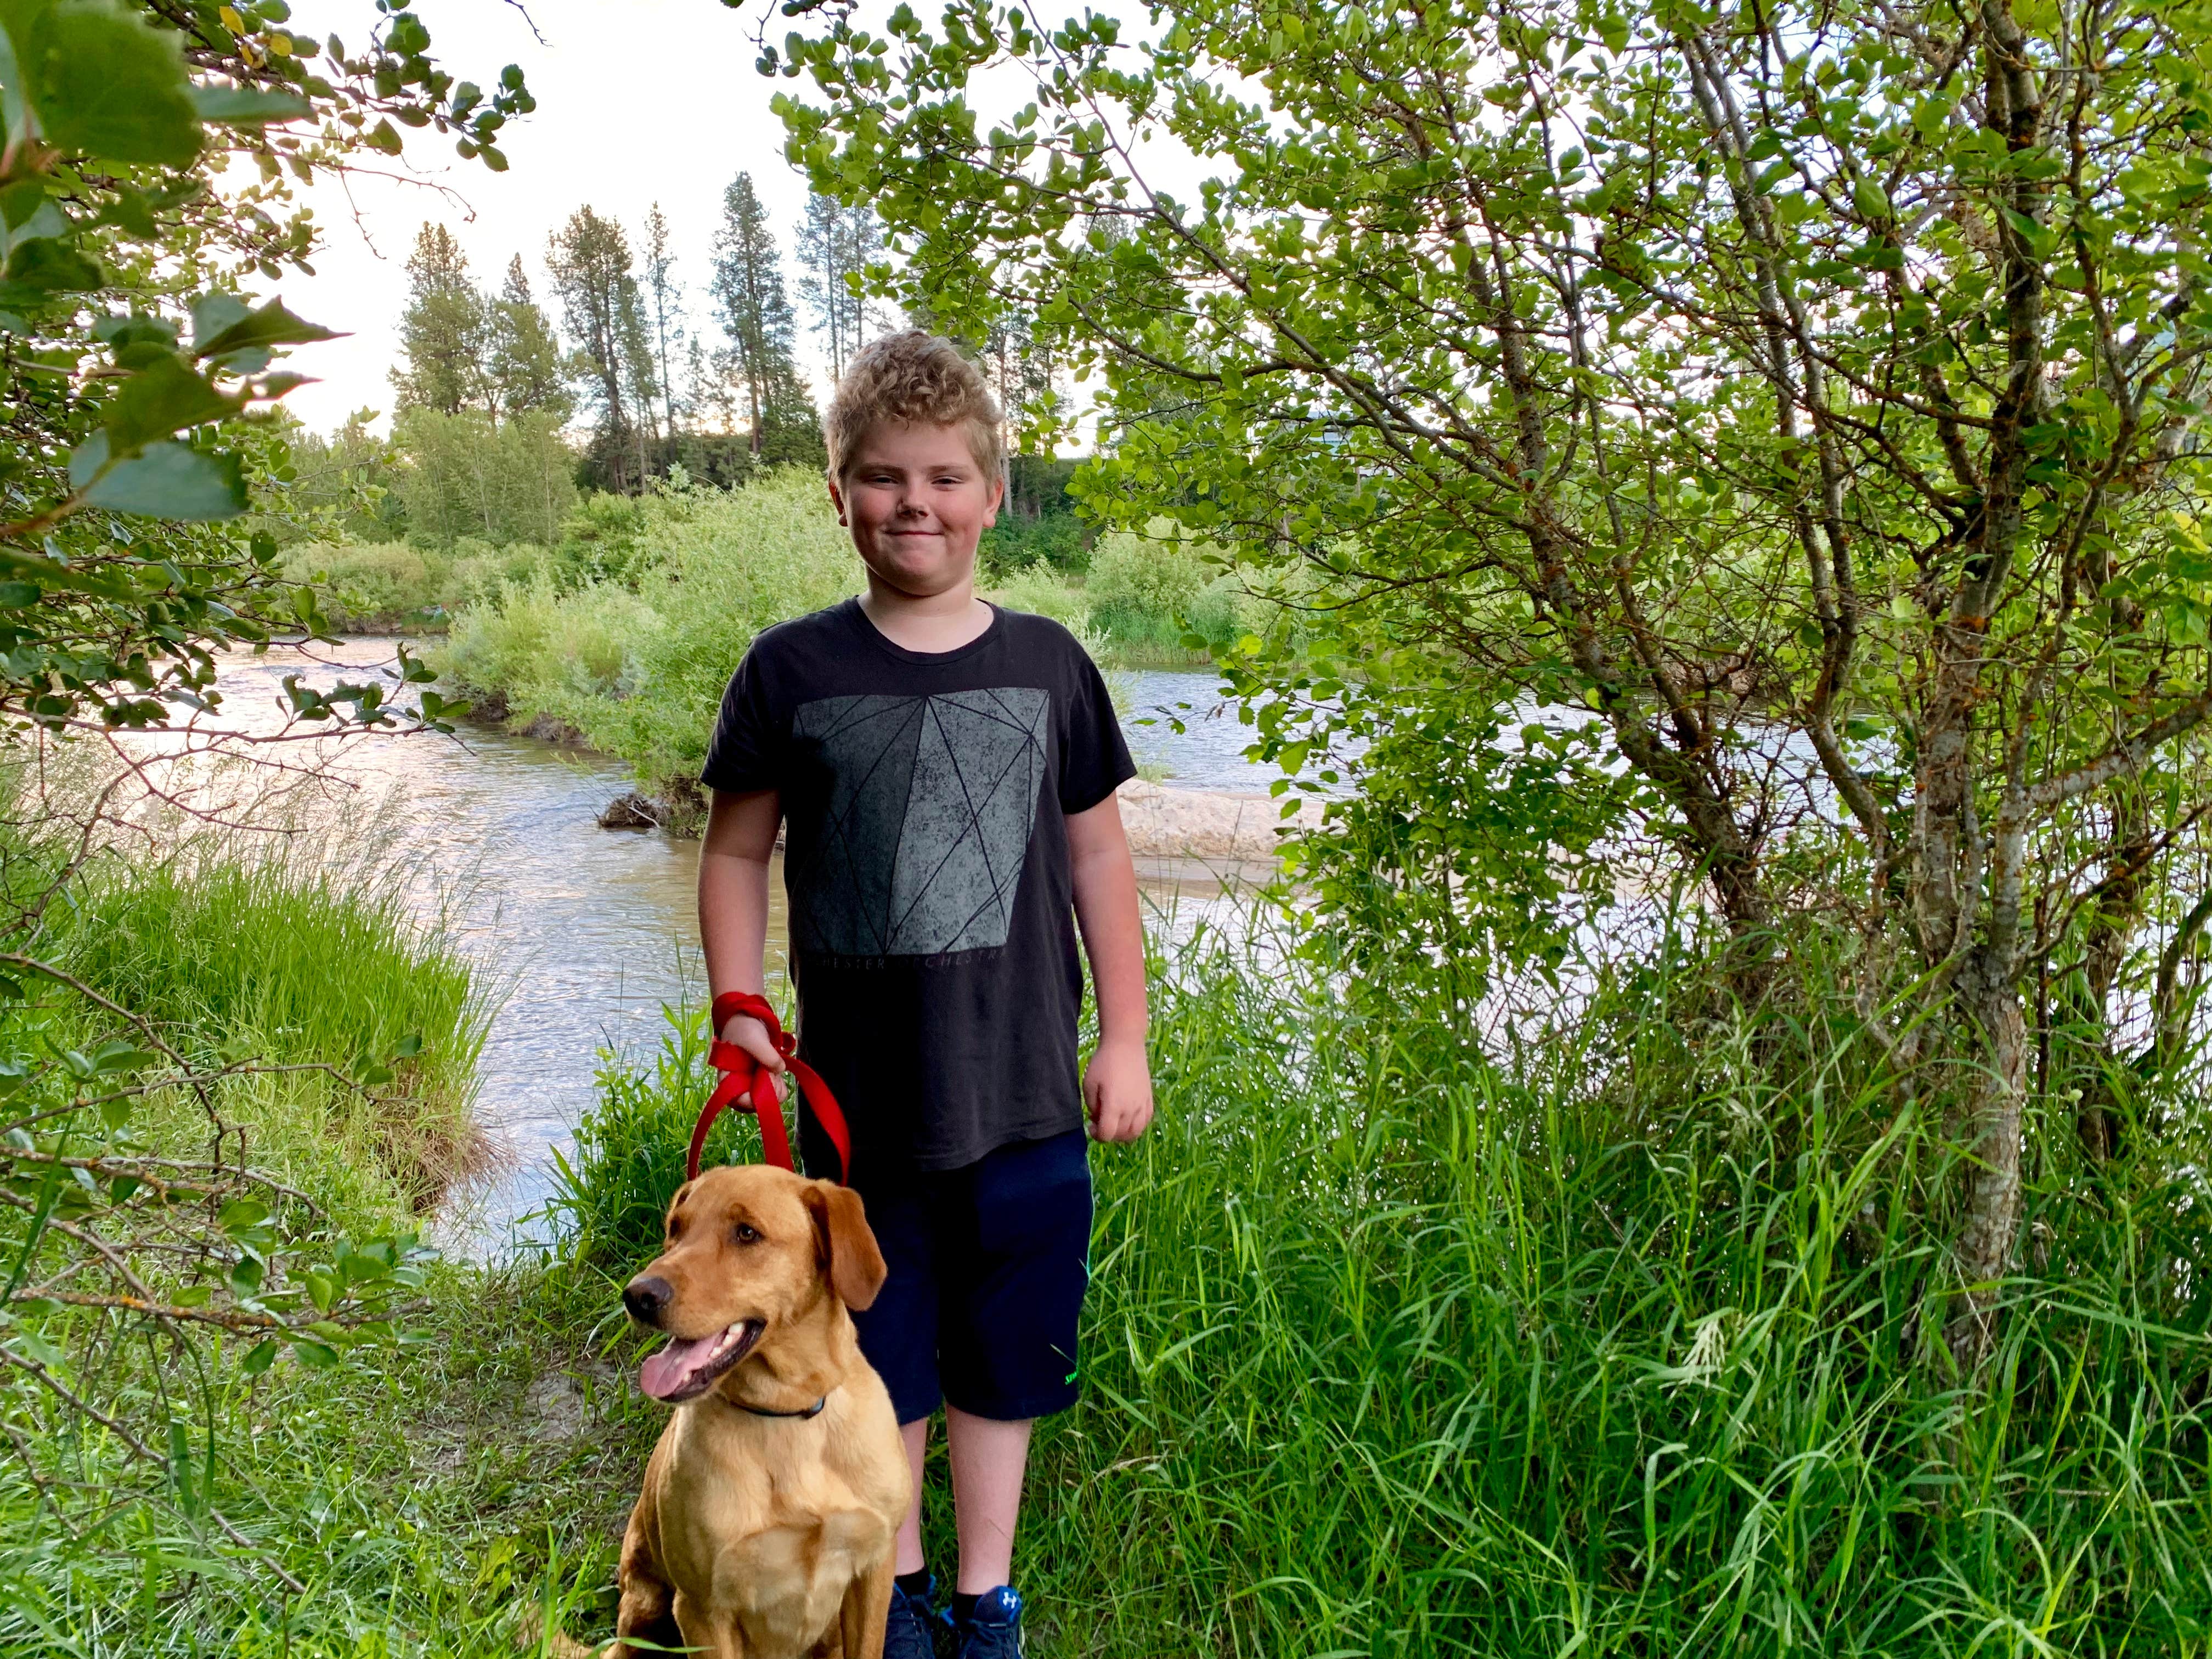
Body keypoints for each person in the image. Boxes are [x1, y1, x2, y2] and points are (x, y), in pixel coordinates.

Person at [695, 330, 1155, 1658]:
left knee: (1005, 1360)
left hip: (1022, 1096)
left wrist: (1122, 1036)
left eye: (946, 477)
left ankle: (985, 1597)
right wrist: (739, 1008)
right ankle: (890, 1590)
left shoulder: (1052, 665)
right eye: (884, 478)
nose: (916, 504)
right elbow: (735, 849)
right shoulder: (789, 672)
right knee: (880, 1352)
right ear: (836, 494)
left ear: (994, 494)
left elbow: (1096, 854)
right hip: (858, 1108)